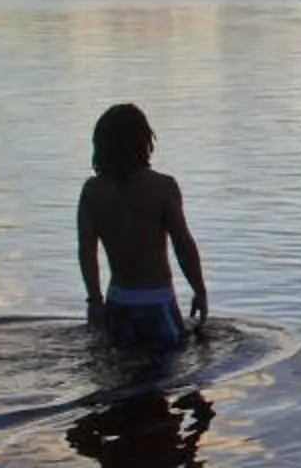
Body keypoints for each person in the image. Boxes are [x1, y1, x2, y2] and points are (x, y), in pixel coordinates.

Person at [78, 102, 207, 352]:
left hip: (118, 302)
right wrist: (199, 290)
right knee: (166, 372)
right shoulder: (163, 187)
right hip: (157, 301)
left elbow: (86, 250)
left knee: (118, 372)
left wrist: (94, 301)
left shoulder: (92, 191)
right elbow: (183, 244)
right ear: (144, 142)